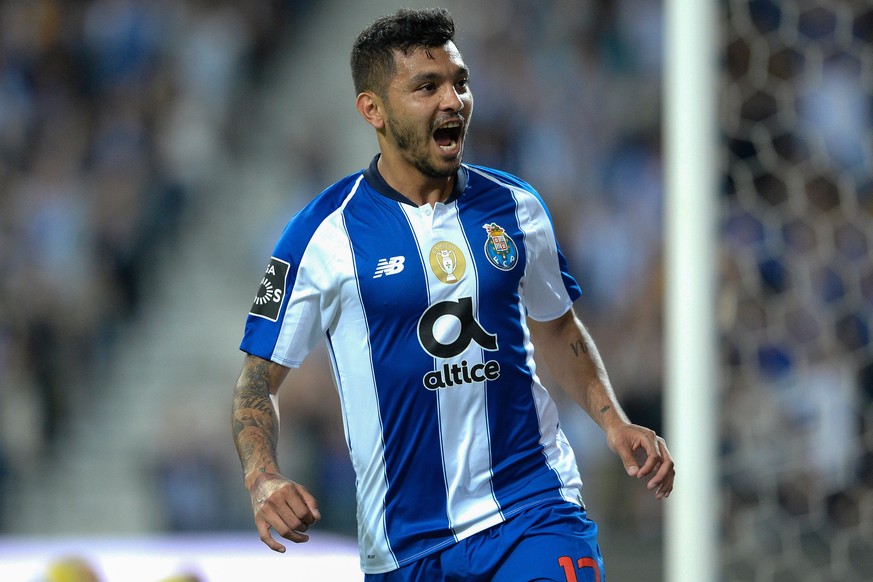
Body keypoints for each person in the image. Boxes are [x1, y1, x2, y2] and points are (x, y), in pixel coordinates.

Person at [231, 8, 674, 581]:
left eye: (460, 82)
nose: (453, 100)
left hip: (532, 508)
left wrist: (614, 423)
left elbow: (557, 327)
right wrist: (263, 475)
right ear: (373, 110)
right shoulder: (320, 235)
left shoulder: (516, 207)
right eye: (426, 86)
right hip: (407, 545)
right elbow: (255, 380)